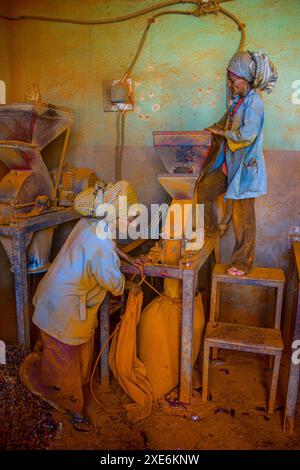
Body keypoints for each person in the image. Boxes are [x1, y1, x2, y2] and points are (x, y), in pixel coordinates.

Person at [20, 180, 145, 432]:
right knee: (65, 362)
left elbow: (108, 247)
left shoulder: (92, 224)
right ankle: (73, 408)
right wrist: (128, 282)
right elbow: (114, 283)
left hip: (58, 301)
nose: (133, 223)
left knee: (74, 353)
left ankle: (54, 380)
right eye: (129, 218)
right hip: (63, 308)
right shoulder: (101, 248)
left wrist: (127, 257)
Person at [197, 50, 278, 276]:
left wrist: (221, 132)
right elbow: (222, 124)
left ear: (244, 80)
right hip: (229, 165)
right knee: (204, 189)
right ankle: (211, 230)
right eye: (229, 81)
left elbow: (247, 135)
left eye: (233, 81)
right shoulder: (238, 103)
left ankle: (242, 263)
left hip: (245, 169)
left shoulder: (254, 104)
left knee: (243, 220)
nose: (230, 85)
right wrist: (209, 132)